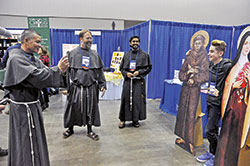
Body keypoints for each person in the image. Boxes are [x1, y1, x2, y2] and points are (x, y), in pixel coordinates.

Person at [3, 29, 69, 166]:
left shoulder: (32, 58)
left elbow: (44, 72)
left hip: (33, 106)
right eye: (37, 42)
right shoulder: (16, 58)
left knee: (34, 139)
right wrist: (59, 69)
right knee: (24, 142)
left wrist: (59, 71)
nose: (40, 45)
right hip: (22, 110)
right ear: (26, 41)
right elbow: (37, 77)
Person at [214, 27, 250, 166]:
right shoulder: (233, 66)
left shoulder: (249, 67)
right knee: (226, 137)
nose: (248, 47)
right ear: (241, 44)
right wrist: (234, 85)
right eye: (246, 43)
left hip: (242, 109)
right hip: (231, 107)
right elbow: (227, 86)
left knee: (236, 138)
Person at [63, 29, 106, 141]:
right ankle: (70, 129)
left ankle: (90, 130)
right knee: (72, 108)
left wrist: (102, 84)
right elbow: (65, 72)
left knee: (90, 109)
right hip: (76, 88)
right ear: (81, 39)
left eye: (91, 38)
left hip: (91, 87)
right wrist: (65, 87)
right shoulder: (72, 54)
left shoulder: (95, 54)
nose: (90, 40)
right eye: (87, 38)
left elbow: (100, 71)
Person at [196, 40, 231, 166]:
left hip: (218, 104)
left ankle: (218, 155)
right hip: (210, 101)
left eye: (211, 51)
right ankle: (212, 152)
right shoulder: (211, 65)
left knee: (209, 131)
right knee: (212, 130)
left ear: (220, 53)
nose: (208, 53)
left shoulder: (227, 66)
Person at [174, 30, 209, 155]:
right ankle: (182, 136)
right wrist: (187, 75)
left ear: (203, 44)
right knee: (182, 112)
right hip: (185, 89)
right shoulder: (189, 56)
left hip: (194, 90)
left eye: (199, 43)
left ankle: (190, 141)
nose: (196, 46)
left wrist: (194, 80)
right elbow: (181, 73)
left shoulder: (204, 57)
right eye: (195, 43)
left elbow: (205, 75)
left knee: (191, 114)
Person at [118, 36, 152, 128]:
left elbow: (148, 68)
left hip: (138, 81)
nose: (135, 43)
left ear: (139, 43)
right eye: (133, 41)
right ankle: (122, 120)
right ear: (130, 43)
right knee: (125, 100)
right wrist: (126, 73)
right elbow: (121, 68)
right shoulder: (126, 55)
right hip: (128, 81)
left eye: (137, 41)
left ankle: (135, 120)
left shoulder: (144, 55)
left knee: (137, 101)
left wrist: (139, 72)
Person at [38, 46, 51, 110]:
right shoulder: (46, 57)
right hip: (46, 75)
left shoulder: (43, 58)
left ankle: (43, 104)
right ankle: (46, 103)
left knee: (40, 90)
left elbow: (40, 66)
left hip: (43, 75)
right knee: (44, 89)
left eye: (39, 49)